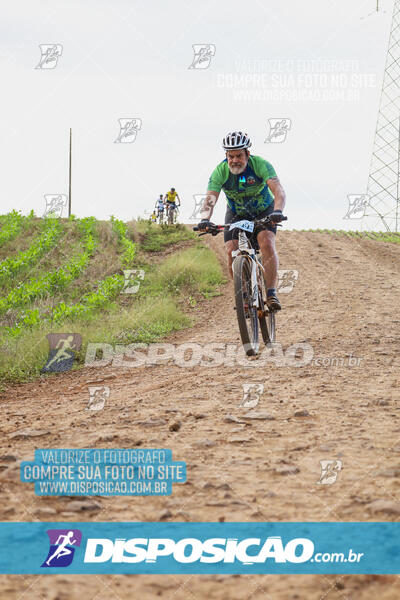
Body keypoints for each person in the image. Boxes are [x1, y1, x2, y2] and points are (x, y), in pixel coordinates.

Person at [197, 131, 286, 310]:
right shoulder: (220, 171)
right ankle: (243, 294)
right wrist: (205, 219)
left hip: (263, 210)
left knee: (266, 242)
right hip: (236, 212)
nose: (234, 160)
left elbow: (278, 191)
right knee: (231, 249)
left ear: (247, 154)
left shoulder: (261, 165)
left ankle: (271, 293)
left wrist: (277, 211)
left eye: (239, 155)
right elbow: (210, 199)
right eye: (231, 156)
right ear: (226, 156)